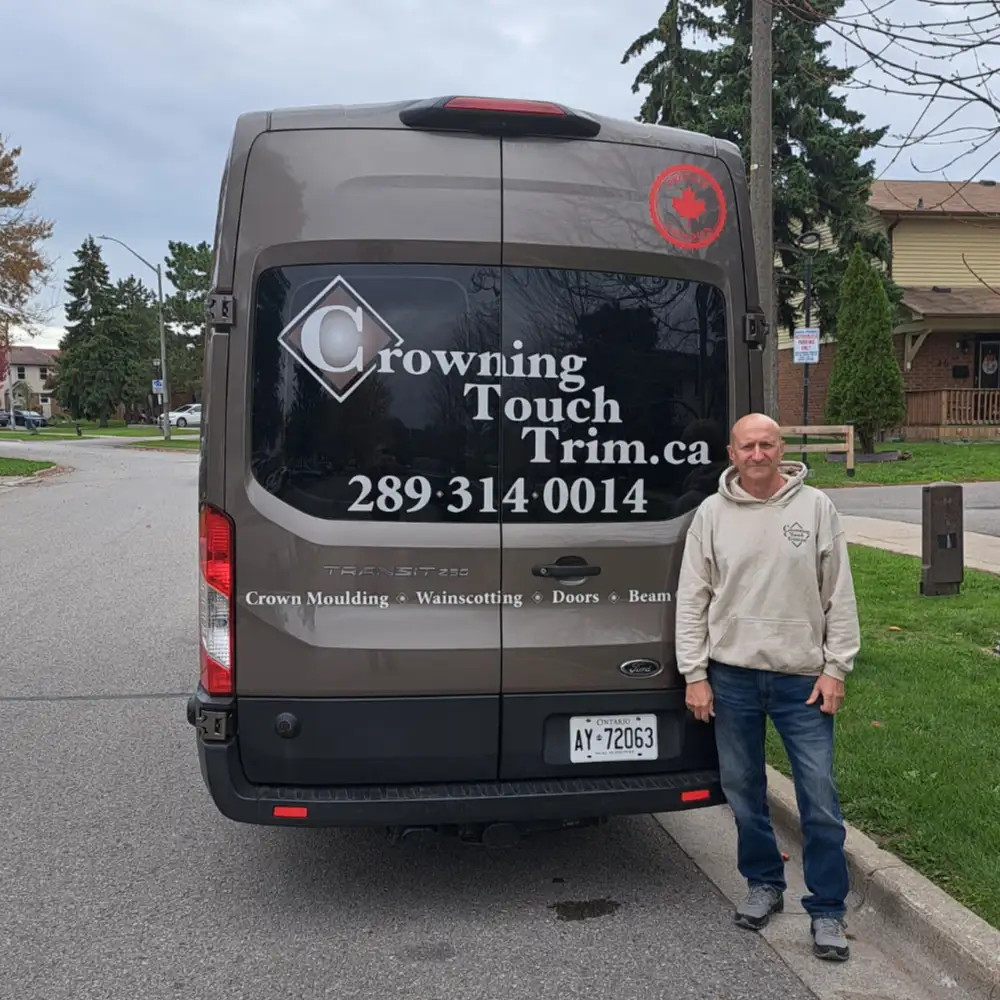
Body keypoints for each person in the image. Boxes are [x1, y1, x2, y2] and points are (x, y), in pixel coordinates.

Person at [674, 412, 861, 962]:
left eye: (767, 444)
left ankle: (827, 910)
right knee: (744, 794)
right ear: (731, 454)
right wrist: (696, 674)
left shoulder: (816, 509)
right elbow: (693, 599)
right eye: (747, 446)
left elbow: (839, 595)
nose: (757, 454)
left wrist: (836, 668)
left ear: (782, 450)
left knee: (819, 800)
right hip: (731, 677)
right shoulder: (710, 514)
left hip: (802, 680)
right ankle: (763, 884)